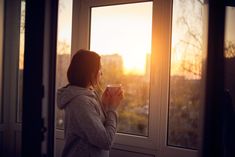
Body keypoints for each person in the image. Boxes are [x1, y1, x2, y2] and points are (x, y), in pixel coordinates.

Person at [57, 49, 123, 157]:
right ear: (91, 73)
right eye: (99, 69)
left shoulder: (86, 96)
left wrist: (104, 105)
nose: (101, 73)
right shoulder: (80, 102)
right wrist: (112, 109)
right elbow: (105, 141)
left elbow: (96, 127)